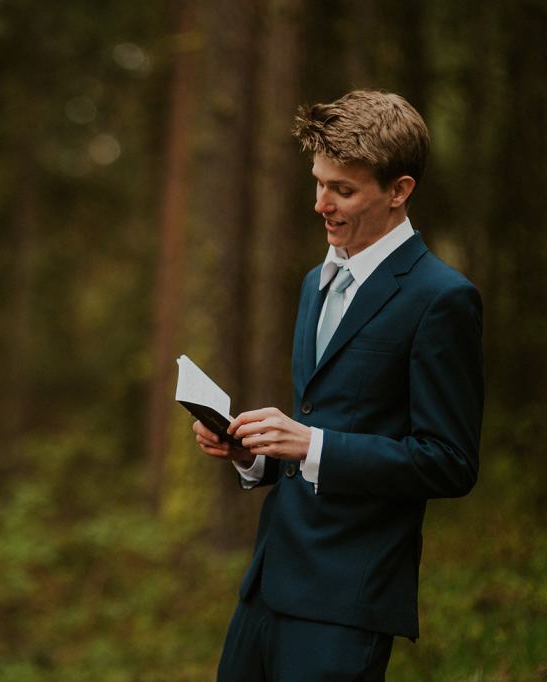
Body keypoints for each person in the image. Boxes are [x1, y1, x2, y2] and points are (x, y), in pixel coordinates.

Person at [193, 90, 483, 679]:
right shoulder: (315, 282)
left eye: (343, 190)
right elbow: (323, 426)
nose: (321, 204)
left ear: (399, 191)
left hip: (347, 600)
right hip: (268, 582)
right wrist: (255, 453)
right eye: (318, 182)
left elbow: (449, 462)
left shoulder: (442, 299)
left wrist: (312, 444)